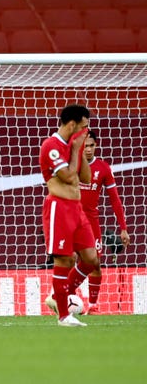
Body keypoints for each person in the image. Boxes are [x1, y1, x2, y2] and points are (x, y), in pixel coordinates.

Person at [39, 104, 100, 327]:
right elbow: (66, 176)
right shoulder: (51, 146)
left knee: (91, 258)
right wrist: (75, 150)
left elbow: (85, 177)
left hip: (76, 209)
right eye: (84, 127)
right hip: (59, 207)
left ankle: (59, 297)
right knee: (63, 259)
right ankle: (63, 315)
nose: (86, 131)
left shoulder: (75, 144)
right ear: (72, 124)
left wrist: (79, 147)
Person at [79, 130, 131, 314]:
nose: (88, 149)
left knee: (95, 264)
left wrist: (123, 228)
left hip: (92, 224)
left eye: (91, 145)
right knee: (67, 261)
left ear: (96, 146)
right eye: (85, 145)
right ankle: (62, 298)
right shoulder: (72, 165)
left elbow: (115, 200)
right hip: (71, 220)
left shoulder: (103, 168)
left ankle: (92, 305)